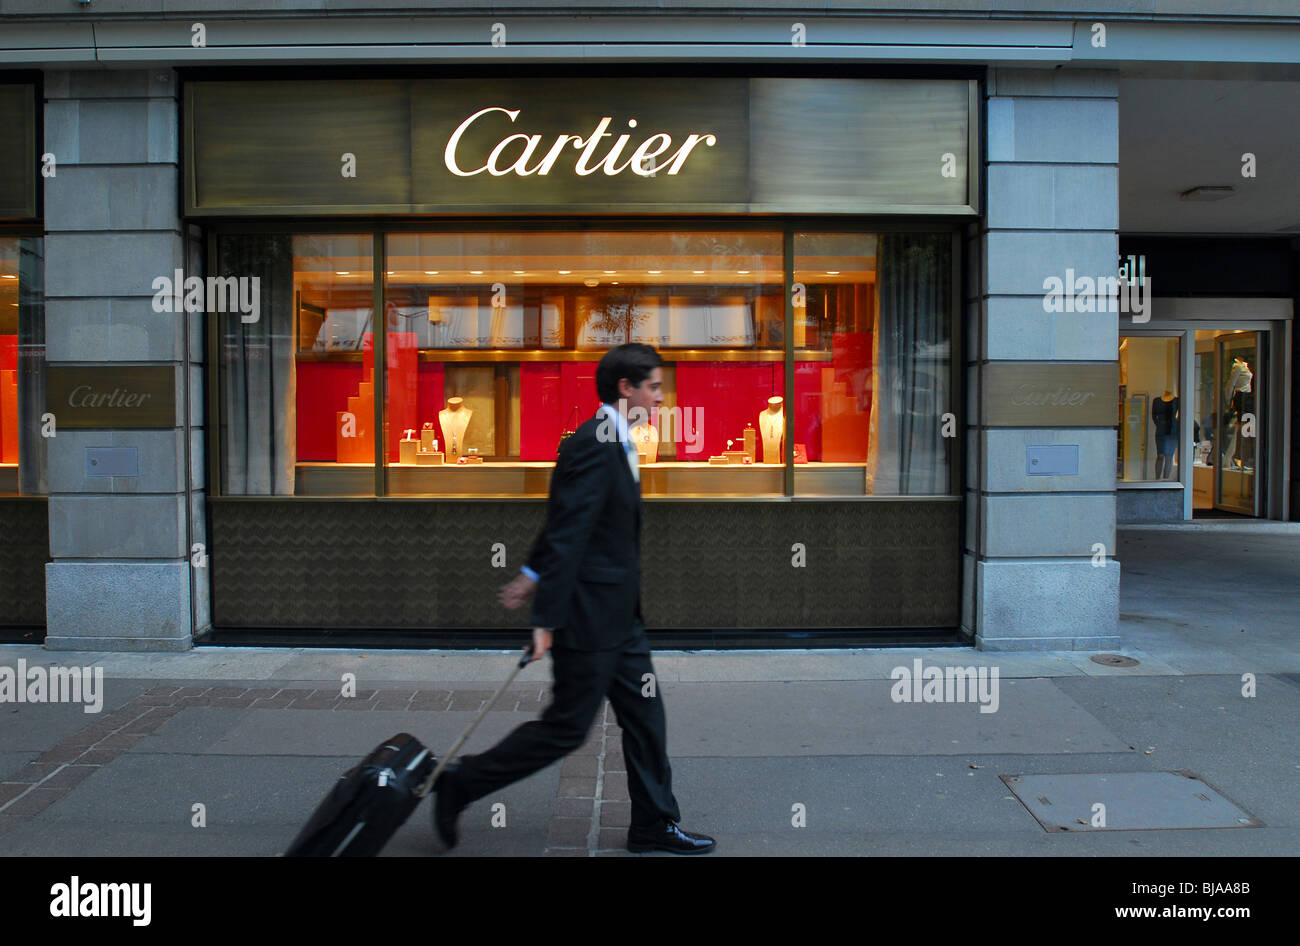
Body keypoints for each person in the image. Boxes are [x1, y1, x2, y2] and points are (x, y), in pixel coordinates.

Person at [432, 343, 715, 855]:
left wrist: (528, 571)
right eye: (652, 386)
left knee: (647, 718)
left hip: (621, 620)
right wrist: (545, 618)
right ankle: (460, 783)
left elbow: (567, 518)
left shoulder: (615, 437)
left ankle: (653, 824)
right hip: (588, 621)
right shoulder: (595, 441)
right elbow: (569, 528)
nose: (659, 395)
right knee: (564, 731)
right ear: (626, 389)